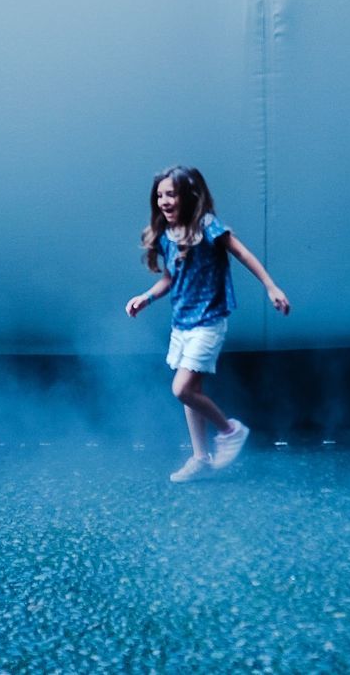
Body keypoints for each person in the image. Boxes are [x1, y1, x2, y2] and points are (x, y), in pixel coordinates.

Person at [126, 166, 291, 482]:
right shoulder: (168, 235)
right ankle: (201, 458)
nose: (164, 201)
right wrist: (146, 297)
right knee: (192, 392)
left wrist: (271, 286)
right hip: (182, 322)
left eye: (171, 194)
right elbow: (170, 278)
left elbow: (243, 254)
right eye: (159, 195)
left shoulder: (207, 226)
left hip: (208, 322)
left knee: (182, 389)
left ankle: (230, 430)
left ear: (189, 196)